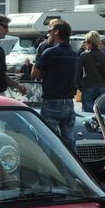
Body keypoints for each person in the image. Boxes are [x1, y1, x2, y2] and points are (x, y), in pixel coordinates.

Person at [31, 19, 78, 151]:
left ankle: (53, 170)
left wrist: (41, 55)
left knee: (49, 142)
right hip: (69, 102)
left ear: (56, 32)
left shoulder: (49, 52)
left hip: (51, 102)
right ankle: (74, 169)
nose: (48, 35)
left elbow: (34, 74)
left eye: (49, 31)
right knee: (69, 141)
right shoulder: (74, 54)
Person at [76, 30, 105, 113]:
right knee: (103, 115)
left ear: (89, 42)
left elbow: (77, 72)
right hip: (102, 87)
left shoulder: (83, 55)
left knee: (88, 116)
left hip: (87, 86)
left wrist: (79, 86)